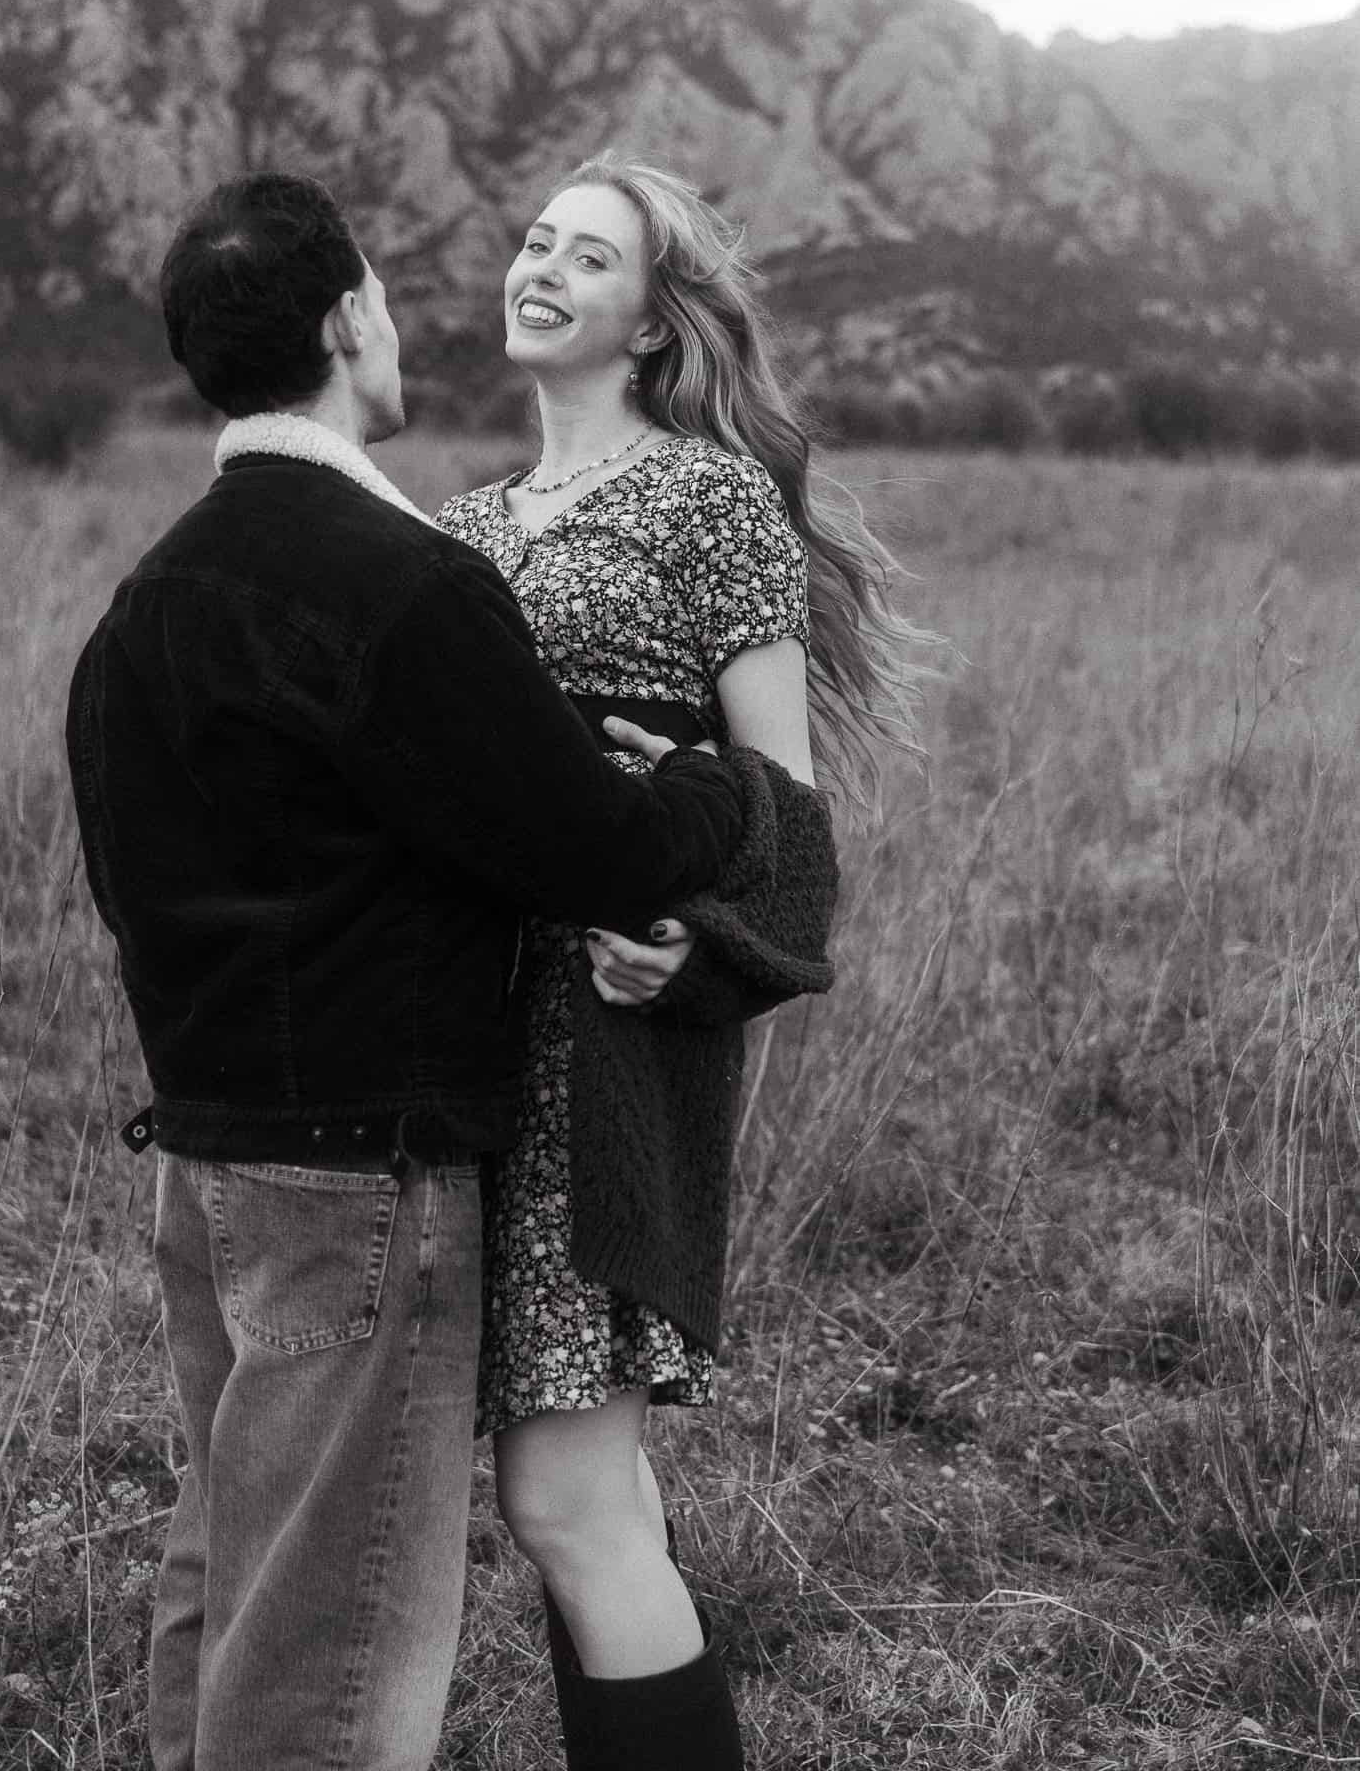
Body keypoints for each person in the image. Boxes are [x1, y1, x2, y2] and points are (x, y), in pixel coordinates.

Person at [63, 172, 755, 1771]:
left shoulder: (144, 602)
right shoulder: (406, 581)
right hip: (362, 1182)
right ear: (346, 323)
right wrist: (714, 789)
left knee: (228, 1573)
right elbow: (594, 853)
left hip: (206, 1165)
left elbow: (125, 879)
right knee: (331, 1651)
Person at [435, 153, 925, 1769]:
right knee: (595, 1493)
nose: (544, 267)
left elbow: (784, 808)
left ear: (651, 324)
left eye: (590, 256)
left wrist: (689, 945)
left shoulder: (702, 499)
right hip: (466, 1032)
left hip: (620, 1017)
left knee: (560, 1496)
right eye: (533, 240)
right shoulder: (461, 524)